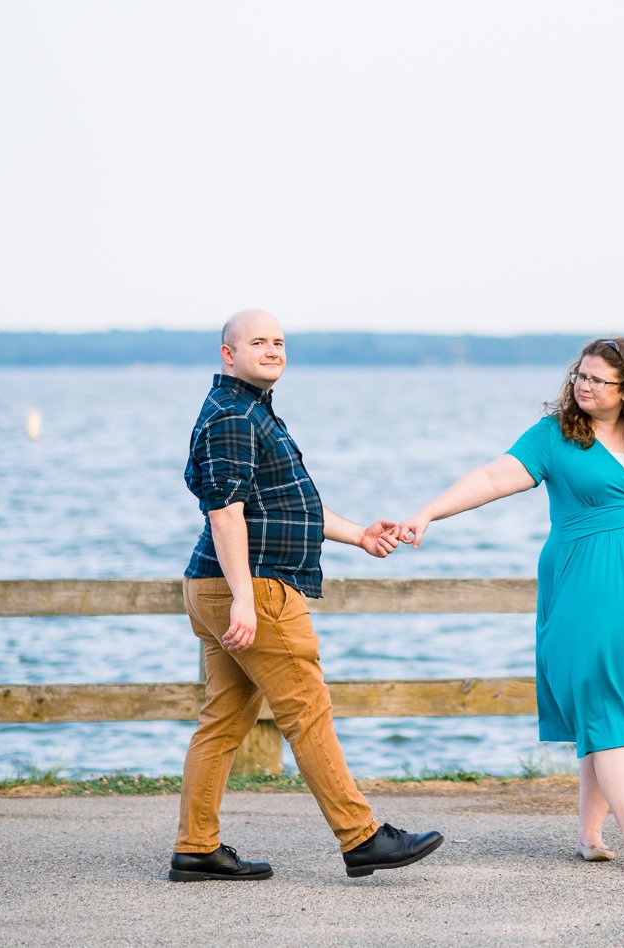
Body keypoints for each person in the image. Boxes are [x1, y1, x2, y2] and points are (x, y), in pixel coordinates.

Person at [398, 336, 624, 868]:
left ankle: (590, 837)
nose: (584, 386)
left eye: (597, 380)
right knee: (602, 692)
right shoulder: (556, 436)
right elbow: (493, 477)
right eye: (579, 376)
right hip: (585, 581)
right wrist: (428, 513)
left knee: (614, 699)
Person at [171, 309, 443, 882]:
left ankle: (196, 846)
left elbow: (285, 509)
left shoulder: (249, 411)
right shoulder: (232, 418)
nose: (272, 351)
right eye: (257, 342)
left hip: (227, 583)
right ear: (228, 353)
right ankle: (362, 837)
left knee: (223, 717)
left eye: (279, 342)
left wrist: (360, 536)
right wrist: (244, 600)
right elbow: (225, 515)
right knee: (307, 711)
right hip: (255, 586)